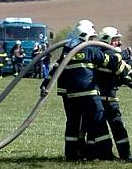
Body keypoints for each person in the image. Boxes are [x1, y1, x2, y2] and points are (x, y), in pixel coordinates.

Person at [41, 19, 116, 161]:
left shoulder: (67, 51)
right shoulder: (90, 49)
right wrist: (121, 54)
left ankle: (72, 154)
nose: (94, 41)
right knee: (97, 120)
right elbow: (108, 60)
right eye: (92, 38)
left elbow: (56, 68)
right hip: (89, 93)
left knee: (73, 124)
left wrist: (45, 84)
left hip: (70, 95)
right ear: (86, 36)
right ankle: (105, 153)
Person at [96, 26, 132, 161]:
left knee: (108, 128)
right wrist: (127, 56)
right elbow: (119, 65)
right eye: (115, 40)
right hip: (106, 99)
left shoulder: (100, 54)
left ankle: (110, 155)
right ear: (107, 40)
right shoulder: (106, 56)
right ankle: (121, 155)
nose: (119, 43)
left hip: (104, 97)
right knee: (114, 127)